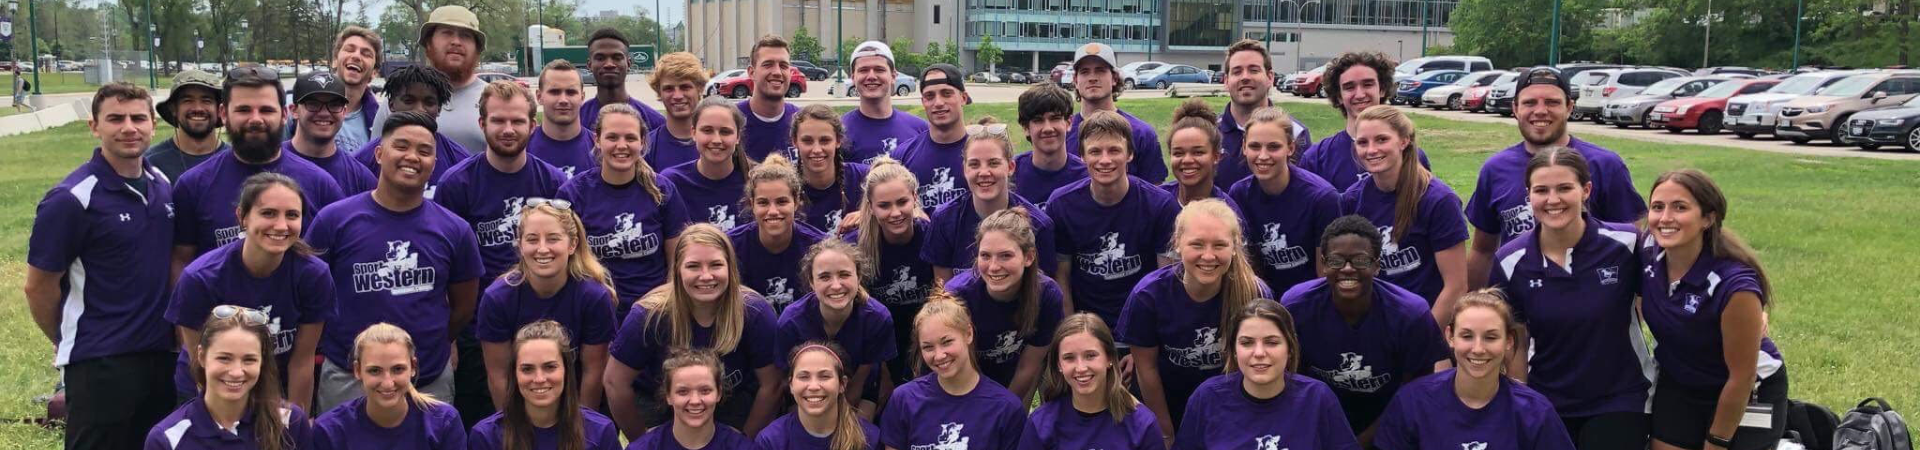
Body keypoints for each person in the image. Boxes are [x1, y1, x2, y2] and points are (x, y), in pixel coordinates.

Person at [26, 82, 176, 450]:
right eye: (115, 119)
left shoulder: (161, 184)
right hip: (101, 363)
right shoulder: (71, 199)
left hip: (160, 355)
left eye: (138, 118)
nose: (129, 127)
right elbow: (38, 286)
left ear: (153, 126)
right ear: (94, 127)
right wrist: (69, 342)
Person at [308, 111, 485, 415]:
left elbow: (464, 307)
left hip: (427, 378)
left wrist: (436, 342)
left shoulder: (454, 229)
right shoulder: (335, 220)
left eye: (425, 151)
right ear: (379, 154)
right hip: (349, 377)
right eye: (401, 146)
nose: (412, 157)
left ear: (434, 162)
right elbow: (310, 292)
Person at [1486, 148, 1651, 450]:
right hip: (1549, 398)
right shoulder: (1510, 261)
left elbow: (1668, 295)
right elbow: (1517, 342)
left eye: (1564, 188)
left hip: (1620, 396)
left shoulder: (1626, 244)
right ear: (1528, 195)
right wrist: (1523, 402)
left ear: (1586, 190)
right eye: (1541, 190)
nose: (1553, 200)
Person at [1640, 169, 1787, 450]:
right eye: (1657, 207)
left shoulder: (1734, 286)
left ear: (1708, 218)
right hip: (1681, 380)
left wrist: (1716, 442)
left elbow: (1741, 378)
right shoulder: (1647, 251)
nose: (1665, 218)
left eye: (1680, 207)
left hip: (1748, 388)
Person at [1466, 67, 1646, 289]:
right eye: (1530, 103)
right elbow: (1483, 250)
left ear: (1569, 107)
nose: (1540, 111)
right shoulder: (1495, 169)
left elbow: (1632, 246)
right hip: (1522, 305)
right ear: (1515, 108)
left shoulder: (1605, 165)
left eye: (1552, 102)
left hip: (1595, 302)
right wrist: (1473, 304)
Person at [166, 173, 334, 410]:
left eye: (292, 215)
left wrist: (297, 425)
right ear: (242, 217)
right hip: (208, 386)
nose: (281, 225)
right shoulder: (201, 278)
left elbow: (301, 361)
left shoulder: (313, 275)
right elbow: (200, 364)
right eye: (268, 213)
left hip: (275, 387)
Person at [1279, 215, 1448, 446]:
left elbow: (1415, 392)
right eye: (1337, 260)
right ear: (1324, 262)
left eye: (1360, 260)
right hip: (1317, 421)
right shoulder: (1296, 306)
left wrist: (1360, 444)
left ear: (1377, 265)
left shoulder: (1410, 314)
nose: (1348, 269)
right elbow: (1290, 381)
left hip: (1388, 424)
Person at [605, 224, 782, 437]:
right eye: (693, 266)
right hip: (660, 405)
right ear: (677, 269)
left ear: (730, 267)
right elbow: (614, 382)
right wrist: (642, 439)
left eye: (716, 265)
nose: (706, 276)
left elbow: (772, 384)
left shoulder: (754, 312)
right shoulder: (649, 315)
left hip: (731, 405)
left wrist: (747, 440)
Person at [1118, 199, 1270, 437]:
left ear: (1235, 245)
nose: (1208, 256)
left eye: (1219, 245)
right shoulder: (1148, 296)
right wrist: (1165, 432)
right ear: (1177, 243)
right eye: (1197, 244)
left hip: (1230, 406)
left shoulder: (1254, 293)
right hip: (1167, 401)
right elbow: (1146, 369)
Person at [172, 69, 346, 267]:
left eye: (266, 110)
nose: (255, 119)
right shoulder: (193, 185)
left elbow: (341, 260)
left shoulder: (320, 184)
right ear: (223, 114)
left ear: (284, 114)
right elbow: (181, 261)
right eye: (243, 110)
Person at [1371, 290, 1576, 450]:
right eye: (1467, 336)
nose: (1478, 349)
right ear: (1450, 336)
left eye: (1491, 337)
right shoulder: (1413, 402)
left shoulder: (1534, 412)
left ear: (1509, 341)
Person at [477, 202, 618, 411]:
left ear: (572, 245)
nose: (542, 249)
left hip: (576, 403)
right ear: (520, 245)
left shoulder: (593, 297)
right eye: (532, 239)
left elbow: (593, 373)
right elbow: (499, 376)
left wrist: (581, 429)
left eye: (553, 239)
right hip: (522, 405)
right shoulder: (497, 299)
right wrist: (514, 427)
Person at [1046, 110, 1180, 328]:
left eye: (1114, 150)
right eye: (1095, 151)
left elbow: (1166, 280)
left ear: (1130, 154)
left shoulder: (1160, 205)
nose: (1105, 160)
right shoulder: (1062, 204)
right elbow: (1061, 278)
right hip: (1087, 326)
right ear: (1082, 156)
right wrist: (1073, 333)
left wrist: (1144, 342)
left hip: (1142, 324)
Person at [558, 103, 686, 323]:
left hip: (654, 311)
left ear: (643, 142)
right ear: (597, 140)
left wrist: (663, 302)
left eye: (630, 138)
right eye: (612, 137)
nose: (621, 145)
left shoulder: (662, 190)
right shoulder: (573, 193)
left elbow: (678, 259)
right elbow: (565, 262)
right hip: (595, 312)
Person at [1338, 105, 1468, 322]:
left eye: (1381, 139)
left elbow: (1456, 286)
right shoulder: (1353, 199)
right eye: (1363, 142)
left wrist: (1426, 340)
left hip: (1425, 321)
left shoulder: (1438, 200)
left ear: (1404, 140)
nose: (1371, 150)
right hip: (1377, 322)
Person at [1174, 300, 1358, 450]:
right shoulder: (1207, 397)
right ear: (1234, 350)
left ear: (1290, 348)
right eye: (1247, 343)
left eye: (1271, 342)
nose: (1259, 352)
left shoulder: (1317, 397)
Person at [434, 80, 568, 284]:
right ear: (482, 124)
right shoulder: (455, 185)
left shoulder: (554, 182)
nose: (508, 130)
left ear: (532, 126)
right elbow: (447, 261)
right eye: (498, 121)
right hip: (480, 308)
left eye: (517, 121)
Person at [143, 306, 313, 450]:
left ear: (262, 362)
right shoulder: (166, 439)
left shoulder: (291, 422)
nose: (237, 371)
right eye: (224, 358)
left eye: (249, 359)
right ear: (201, 356)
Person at [944, 208, 1067, 399]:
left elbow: (1029, 366)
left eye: (1005, 256)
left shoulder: (1047, 295)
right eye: (985, 255)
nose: (993, 267)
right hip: (965, 382)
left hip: (1016, 379)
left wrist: (1005, 408)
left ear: (1028, 257)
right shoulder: (957, 296)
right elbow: (954, 364)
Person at [880, 295, 1029, 450]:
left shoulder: (1006, 408)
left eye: (947, 342)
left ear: (968, 334)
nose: (939, 355)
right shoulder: (904, 400)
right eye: (928, 347)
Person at [924, 118, 1059, 282]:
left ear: (1010, 167)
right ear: (964, 169)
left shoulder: (1038, 225)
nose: (984, 172)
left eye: (993, 163)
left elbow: (1041, 291)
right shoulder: (944, 220)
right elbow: (943, 292)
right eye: (974, 164)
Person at [843, 158, 934, 392]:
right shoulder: (854, 248)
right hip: (876, 347)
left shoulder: (932, 237)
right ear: (870, 206)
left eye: (902, 202)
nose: (895, 213)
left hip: (926, 341)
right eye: (884, 205)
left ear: (915, 197)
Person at [1227, 107, 1340, 294]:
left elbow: (1325, 276)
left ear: (1291, 148)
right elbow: (1243, 265)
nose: (1263, 156)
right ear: (1244, 147)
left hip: (1307, 300)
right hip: (1261, 299)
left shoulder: (1322, 198)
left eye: (1273, 147)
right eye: (1255, 146)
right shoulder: (1239, 194)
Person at [775, 241, 897, 415]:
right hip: (808, 393)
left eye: (844, 275)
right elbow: (787, 383)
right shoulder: (791, 322)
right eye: (825, 277)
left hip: (858, 392)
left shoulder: (876, 318)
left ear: (859, 276)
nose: (836, 285)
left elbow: (858, 385)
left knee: (862, 433)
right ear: (811, 281)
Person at [469, 321, 624, 450]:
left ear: (566, 370)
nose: (539, 378)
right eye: (527, 369)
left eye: (550, 367)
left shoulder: (601, 431)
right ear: (514, 375)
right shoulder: (486, 436)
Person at [311, 323, 469, 450]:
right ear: (357, 370)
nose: (387, 383)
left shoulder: (444, 422)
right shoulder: (329, 430)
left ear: (413, 367)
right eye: (375, 371)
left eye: (398, 369)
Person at [1021, 313, 1162, 450]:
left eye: (1090, 356)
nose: (1081, 368)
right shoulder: (1040, 424)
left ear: (1110, 359)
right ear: (1059, 365)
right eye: (1069, 358)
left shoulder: (1142, 425)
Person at [1300, 51, 1430, 193]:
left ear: (1382, 89)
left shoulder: (1410, 154)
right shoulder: (1316, 159)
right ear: (1338, 96)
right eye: (1349, 87)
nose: (1360, 94)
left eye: (1368, 84)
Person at [353, 65, 475, 198]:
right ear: (391, 104)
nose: (419, 109)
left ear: (439, 108)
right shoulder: (359, 163)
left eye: (429, 103)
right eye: (409, 101)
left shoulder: (461, 161)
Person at [729, 154, 830, 311]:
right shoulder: (731, 247)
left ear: (796, 202)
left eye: (782, 202)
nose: (773, 211)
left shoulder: (820, 247)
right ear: (752, 204)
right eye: (763, 202)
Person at [1215, 39, 1313, 191]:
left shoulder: (1295, 132)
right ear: (1226, 81)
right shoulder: (1210, 132)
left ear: (1270, 78)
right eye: (1237, 71)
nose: (1245, 77)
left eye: (1254, 70)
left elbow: (1307, 191)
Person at [1063, 43, 1166, 183]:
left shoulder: (1142, 133)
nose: (1092, 77)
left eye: (1100, 70)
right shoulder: (1063, 132)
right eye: (1085, 71)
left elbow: (1154, 191)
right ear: (1075, 80)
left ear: (1115, 78)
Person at [759, 343, 883, 450]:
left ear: (842, 384)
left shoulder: (869, 438)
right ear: (791, 385)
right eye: (804, 377)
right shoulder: (771, 441)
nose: (813, 386)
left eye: (824, 376)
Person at [624, 350, 754, 450]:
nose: (695, 401)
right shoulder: (644, 447)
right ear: (668, 396)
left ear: (719, 393)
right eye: (683, 391)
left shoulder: (742, 447)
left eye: (705, 390)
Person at [889, 64, 972, 213]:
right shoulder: (902, 157)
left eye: (947, 93)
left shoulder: (982, 155)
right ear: (923, 102)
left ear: (963, 98)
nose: (938, 103)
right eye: (930, 96)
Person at [664, 96, 755, 230]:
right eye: (707, 131)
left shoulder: (756, 179)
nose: (716, 139)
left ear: (738, 137)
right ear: (693, 133)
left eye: (725, 132)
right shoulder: (672, 183)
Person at [407, 5, 489, 153]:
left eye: (465, 36)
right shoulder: (401, 96)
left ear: (477, 48)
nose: (456, 41)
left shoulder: (493, 98)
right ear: (429, 43)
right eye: (447, 33)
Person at [287, 71, 379, 195]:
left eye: (334, 105)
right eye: (313, 104)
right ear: (294, 110)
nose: (324, 113)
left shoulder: (361, 178)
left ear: (344, 112)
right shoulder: (271, 164)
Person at [840, 41, 930, 163]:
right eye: (863, 70)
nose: (871, 76)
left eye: (879, 69)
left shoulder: (921, 130)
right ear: (853, 78)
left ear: (893, 76)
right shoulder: (839, 131)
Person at [792, 104, 871, 233]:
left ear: (838, 141)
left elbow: (908, 206)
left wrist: (870, 215)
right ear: (795, 142)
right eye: (807, 141)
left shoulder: (863, 177)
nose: (817, 149)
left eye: (825, 140)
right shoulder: (785, 186)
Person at [579, 28, 670, 135]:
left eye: (617, 58)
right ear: (589, 65)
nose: (609, 64)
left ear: (629, 63)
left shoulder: (655, 123)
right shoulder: (577, 120)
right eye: (600, 58)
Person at [1011, 84, 1086, 208]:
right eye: (1038, 120)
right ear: (1026, 128)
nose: (1048, 128)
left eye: (1055, 118)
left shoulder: (1086, 177)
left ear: (1069, 122)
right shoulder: (1010, 174)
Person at [146, 69, 229, 181]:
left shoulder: (236, 161)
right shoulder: (149, 163)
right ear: (173, 108)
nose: (198, 108)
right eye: (187, 100)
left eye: (206, 100)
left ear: (219, 109)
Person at [1159, 100, 1240, 210]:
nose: (1187, 160)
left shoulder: (1228, 211)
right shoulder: (1156, 203)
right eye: (1178, 153)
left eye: (1198, 152)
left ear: (1216, 156)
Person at [739, 35, 803, 161]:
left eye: (783, 66)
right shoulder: (731, 122)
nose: (777, 72)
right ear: (752, 72)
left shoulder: (802, 121)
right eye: (768, 65)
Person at [529, 59, 594, 179]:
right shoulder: (522, 149)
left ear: (582, 97)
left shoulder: (601, 149)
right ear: (539, 97)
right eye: (555, 92)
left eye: (571, 92)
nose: (563, 100)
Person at [644, 52, 710, 171]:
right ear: (659, 92)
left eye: (685, 87)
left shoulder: (719, 143)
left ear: (700, 88)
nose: (678, 96)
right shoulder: (646, 148)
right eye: (669, 89)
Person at [328, 26, 386, 152]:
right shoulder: (301, 108)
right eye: (349, 49)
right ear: (335, 61)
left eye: (366, 54)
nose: (356, 56)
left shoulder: (381, 123)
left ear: (374, 73)